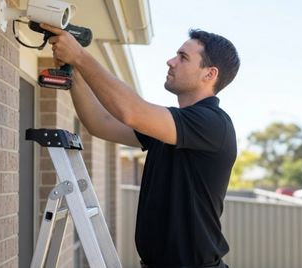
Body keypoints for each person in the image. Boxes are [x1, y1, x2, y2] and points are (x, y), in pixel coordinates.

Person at [41, 23, 240, 268]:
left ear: (209, 74)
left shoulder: (213, 124)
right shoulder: (170, 127)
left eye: (183, 57)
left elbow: (132, 112)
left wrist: (80, 56)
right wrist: (72, 71)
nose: (171, 61)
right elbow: (99, 123)